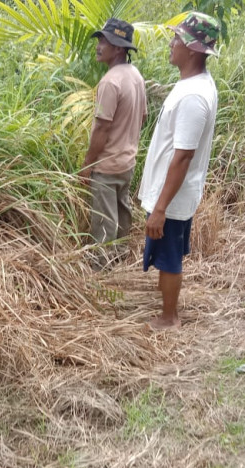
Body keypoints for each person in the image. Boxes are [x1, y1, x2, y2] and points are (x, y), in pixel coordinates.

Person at [138, 12, 220, 329]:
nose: (171, 44)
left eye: (177, 39)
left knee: (169, 256)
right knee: (166, 253)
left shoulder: (194, 97)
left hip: (171, 197)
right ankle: (166, 309)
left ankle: (169, 317)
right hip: (170, 193)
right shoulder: (192, 85)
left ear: (194, 49)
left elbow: (183, 156)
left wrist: (160, 208)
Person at [80, 18, 147, 252]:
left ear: (118, 48)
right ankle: (120, 257)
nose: (98, 46)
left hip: (107, 167)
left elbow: (102, 128)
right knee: (122, 213)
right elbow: (143, 117)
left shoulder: (110, 82)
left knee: (104, 222)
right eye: (99, 40)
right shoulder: (135, 75)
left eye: (104, 42)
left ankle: (101, 266)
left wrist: (88, 165)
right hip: (127, 162)